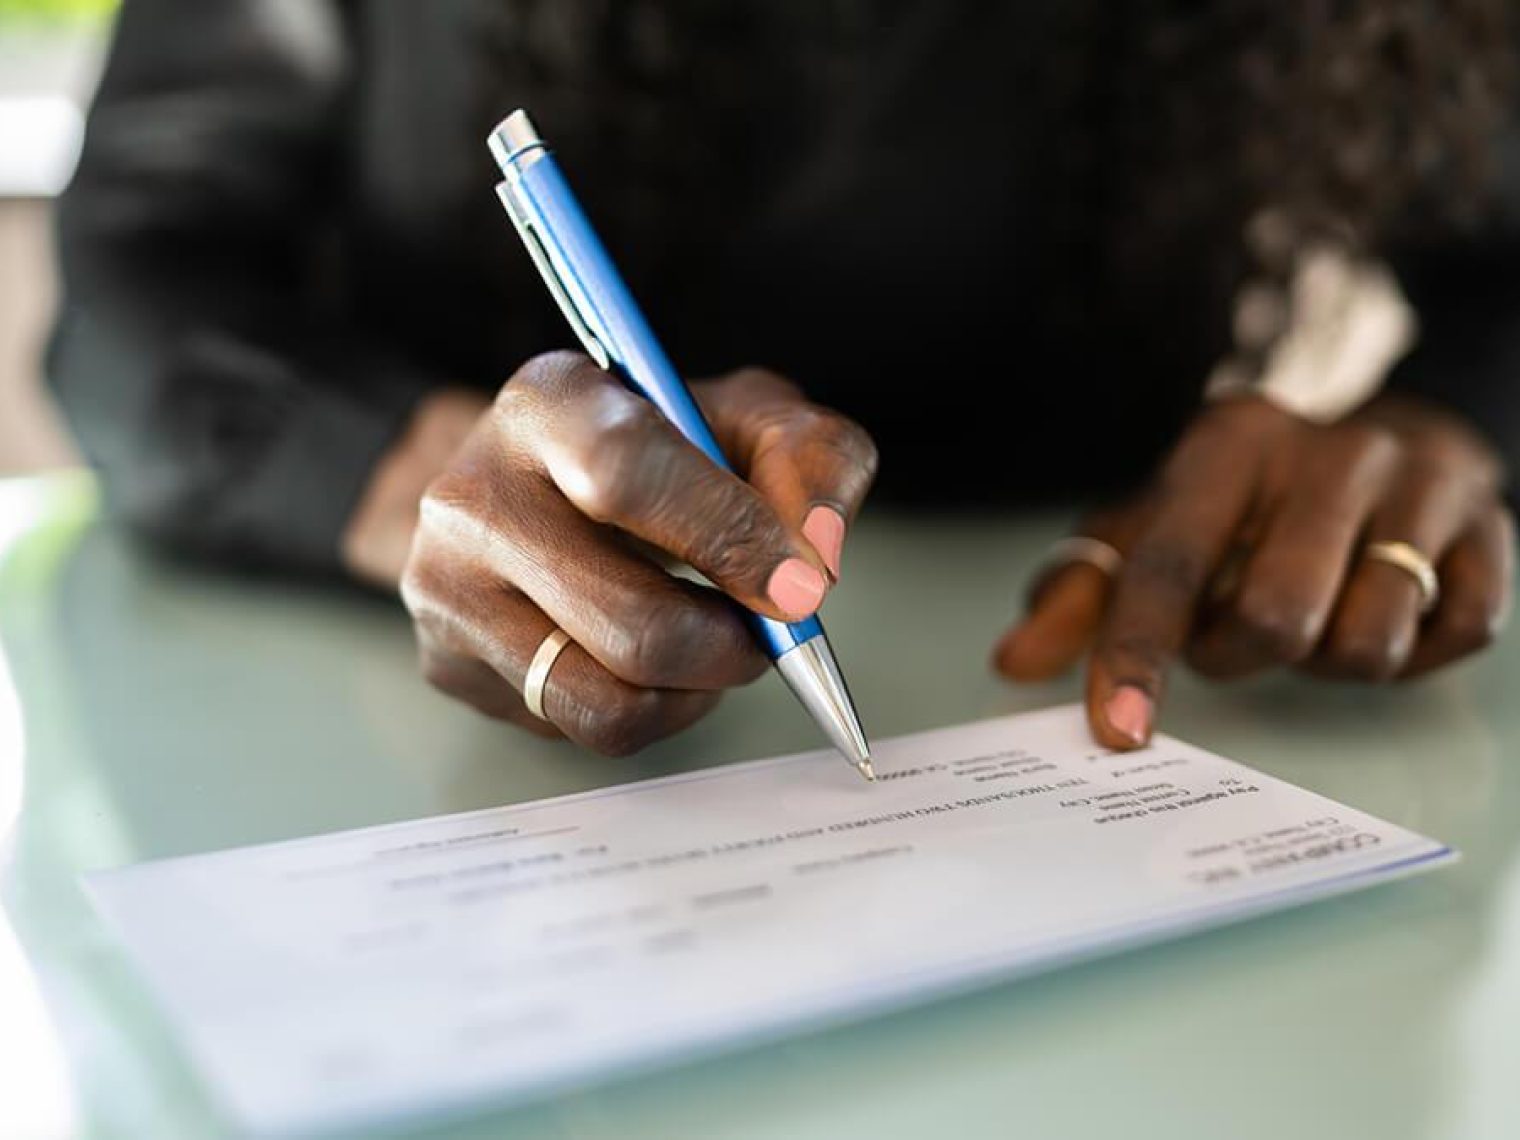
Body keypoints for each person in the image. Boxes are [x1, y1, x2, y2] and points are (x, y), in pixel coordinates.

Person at [49, 1, 1517, 756]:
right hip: (412, 740)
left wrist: (1444, 420)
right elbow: (135, 273)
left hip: (1111, 656)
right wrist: (413, 476)